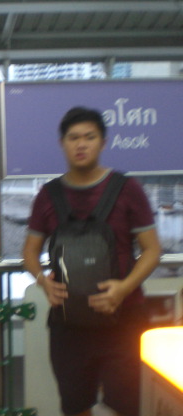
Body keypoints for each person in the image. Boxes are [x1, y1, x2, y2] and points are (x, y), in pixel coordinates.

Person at [22, 106, 161, 416]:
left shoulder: (127, 189)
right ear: (62, 143)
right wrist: (43, 281)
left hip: (124, 319)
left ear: (103, 142)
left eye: (89, 137)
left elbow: (152, 250)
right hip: (69, 325)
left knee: (128, 406)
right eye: (73, 138)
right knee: (75, 406)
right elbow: (29, 251)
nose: (81, 144)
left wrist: (124, 288)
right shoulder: (48, 195)